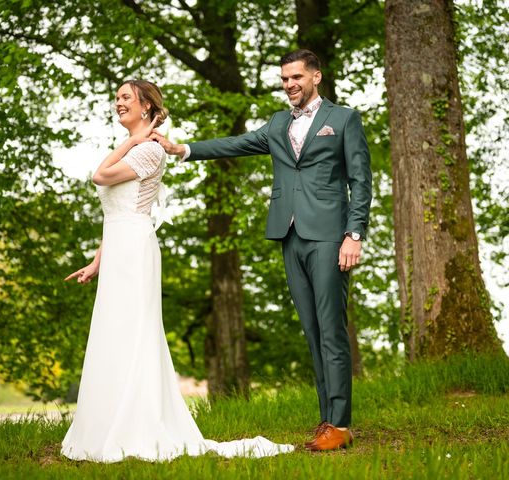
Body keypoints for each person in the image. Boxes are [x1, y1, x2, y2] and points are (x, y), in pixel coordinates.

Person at [60, 79, 294, 462]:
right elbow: (117, 211)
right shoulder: (136, 148)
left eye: (125, 98)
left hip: (135, 251)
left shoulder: (150, 150)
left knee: (135, 332)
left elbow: (100, 177)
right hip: (118, 248)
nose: (117, 103)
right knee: (112, 331)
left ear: (147, 107)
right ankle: (105, 423)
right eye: (116, 97)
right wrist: (97, 261)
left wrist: (132, 143)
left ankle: (138, 425)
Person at [151, 49, 373, 451]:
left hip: (329, 235)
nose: (289, 84)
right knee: (312, 332)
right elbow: (236, 144)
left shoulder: (343, 120)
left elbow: (361, 180)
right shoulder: (275, 124)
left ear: (316, 77)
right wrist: (182, 149)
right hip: (289, 234)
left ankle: (340, 424)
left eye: (296, 77)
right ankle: (327, 421)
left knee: (331, 331)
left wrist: (353, 234)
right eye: (284, 79)